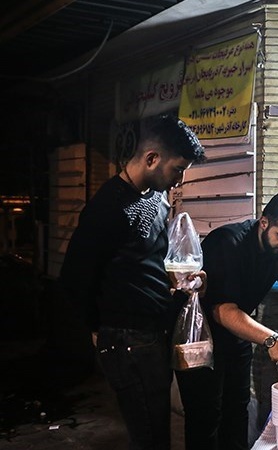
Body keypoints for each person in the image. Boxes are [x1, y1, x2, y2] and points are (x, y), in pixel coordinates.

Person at [59, 114, 206, 450]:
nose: (179, 180)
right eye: (177, 169)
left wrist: (179, 281)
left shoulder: (157, 199)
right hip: (126, 339)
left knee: (158, 431)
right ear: (152, 158)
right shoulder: (106, 208)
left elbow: (148, 262)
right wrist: (98, 328)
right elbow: (74, 278)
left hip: (154, 334)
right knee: (150, 437)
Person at [175, 191, 278, 450]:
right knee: (205, 415)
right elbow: (222, 310)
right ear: (264, 222)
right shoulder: (228, 243)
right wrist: (271, 340)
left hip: (237, 333)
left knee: (236, 410)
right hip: (201, 337)